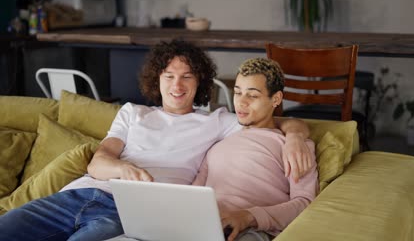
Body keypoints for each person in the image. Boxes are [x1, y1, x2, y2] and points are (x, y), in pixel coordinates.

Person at [0, 40, 313, 241]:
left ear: (200, 82)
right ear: (156, 79)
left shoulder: (218, 122)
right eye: (168, 76)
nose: (177, 85)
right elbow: (98, 162)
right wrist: (124, 170)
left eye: (187, 76)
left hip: (126, 212)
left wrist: (297, 135)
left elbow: (263, 120)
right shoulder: (132, 113)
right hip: (75, 195)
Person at [192, 57, 319, 241]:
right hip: (204, 226)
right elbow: (195, 194)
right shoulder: (218, 143)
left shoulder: (294, 146)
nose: (241, 102)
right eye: (237, 93)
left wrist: (248, 217)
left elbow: (305, 204)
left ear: (276, 99)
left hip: (248, 230)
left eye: (252, 95)